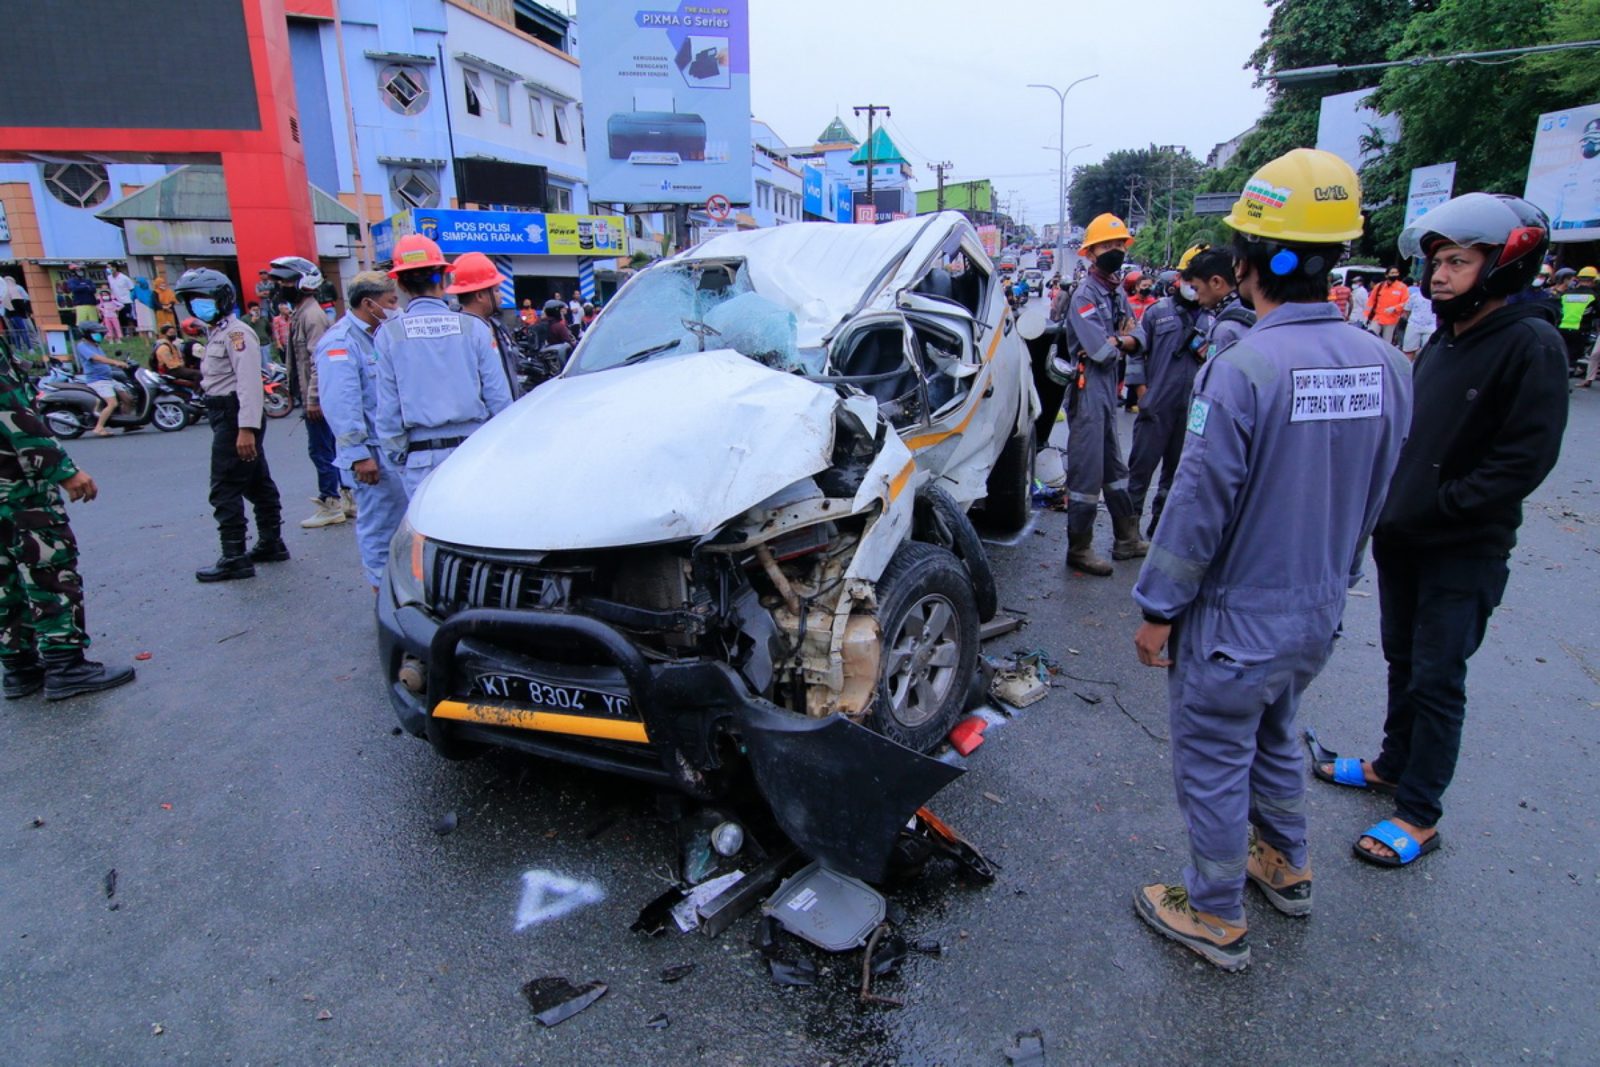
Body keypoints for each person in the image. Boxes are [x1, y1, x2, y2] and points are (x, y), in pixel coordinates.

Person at [1130, 148, 1411, 971]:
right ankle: (1287, 864)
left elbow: (1196, 504)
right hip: (1316, 611)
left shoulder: (1243, 366)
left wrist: (1157, 609)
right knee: (1278, 734)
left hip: (1235, 622)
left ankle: (1214, 910)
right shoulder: (1391, 365)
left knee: (1215, 759)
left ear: (1248, 264)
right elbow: (1375, 493)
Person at [1313, 193, 1568, 869]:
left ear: (1505, 263)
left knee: (1437, 676)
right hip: (1405, 538)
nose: (1441, 276)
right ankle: (1393, 763)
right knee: (1403, 657)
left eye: (1459, 261)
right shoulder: (1450, 341)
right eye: (1438, 263)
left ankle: (1421, 812)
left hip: (1462, 547)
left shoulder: (1530, 342)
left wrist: (1444, 503)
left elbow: (1524, 458)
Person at [0, 337, 135, 701]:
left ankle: (19, 667)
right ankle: (65, 666)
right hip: (16, 486)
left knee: (5, 578)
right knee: (47, 568)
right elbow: (13, 413)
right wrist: (63, 469)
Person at [374, 234, 513, 497]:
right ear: (444, 278)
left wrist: (399, 459)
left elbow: (388, 410)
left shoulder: (389, 335)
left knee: (428, 534)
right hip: (473, 450)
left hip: (421, 459)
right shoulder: (474, 328)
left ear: (401, 286)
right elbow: (499, 399)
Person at [175, 268, 287, 582]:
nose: (198, 306)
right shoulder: (218, 331)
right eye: (192, 301)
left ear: (222, 299)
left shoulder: (238, 334)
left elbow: (249, 382)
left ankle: (234, 556)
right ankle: (271, 543)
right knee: (256, 482)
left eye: (203, 299)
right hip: (225, 412)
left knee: (224, 486)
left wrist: (246, 427)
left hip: (235, 414)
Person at [1061, 212, 1147, 576]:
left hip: (1106, 386)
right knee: (1087, 470)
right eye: (1106, 246)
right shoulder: (1085, 294)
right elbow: (1100, 350)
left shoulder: (1114, 292)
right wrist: (1121, 340)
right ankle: (1079, 549)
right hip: (1088, 387)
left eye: (1118, 244)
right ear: (1090, 252)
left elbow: (1140, 338)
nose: (1114, 250)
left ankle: (1126, 539)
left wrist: (1124, 339)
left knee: (1114, 467)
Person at [314, 271, 409, 591]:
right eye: (391, 301)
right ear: (369, 303)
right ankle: (381, 594)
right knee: (380, 527)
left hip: (394, 447)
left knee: (404, 525)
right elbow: (341, 405)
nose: (396, 307)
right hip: (372, 455)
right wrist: (358, 456)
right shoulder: (340, 343)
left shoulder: (383, 334)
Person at [267, 256, 348, 529]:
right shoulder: (301, 313)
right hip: (314, 394)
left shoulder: (311, 316)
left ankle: (331, 502)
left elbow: (316, 362)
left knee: (321, 450)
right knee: (329, 447)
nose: (281, 286)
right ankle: (344, 497)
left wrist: (313, 399)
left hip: (318, 396)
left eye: (286, 281)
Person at [1126, 267, 1204, 535]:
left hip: (1192, 408)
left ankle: (1161, 529)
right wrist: (1141, 393)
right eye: (1188, 280)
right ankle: (1129, 531)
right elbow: (1135, 353)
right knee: (1140, 470)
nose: (1193, 287)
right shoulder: (1157, 312)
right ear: (1177, 282)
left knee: (1178, 474)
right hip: (1156, 404)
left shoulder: (1211, 318)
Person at [445, 252, 523, 400]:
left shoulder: (495, 326)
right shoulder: (458, 334)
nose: (502, 296)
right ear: (480, 296)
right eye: (497, 290)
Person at [75, 323, 130, 437]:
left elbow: (104, 360)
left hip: (108, 378)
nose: (99, 335)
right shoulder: (82, 346)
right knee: (112, 403)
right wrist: (115, 362)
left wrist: (117, 364)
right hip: (97, 380)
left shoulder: (96, 345)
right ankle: (99, 428)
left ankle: (128, 424)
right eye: (96, 333)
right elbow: (96, 358)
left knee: (127, 398)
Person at [1557, 265, 1597, 372]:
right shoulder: (1593, 296)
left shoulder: (1566, 294)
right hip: (1580, 331)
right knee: (1572, 361)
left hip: (1562, 328)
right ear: (1593, 280)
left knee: (1560, 357)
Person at [1365, 266, 1409, 343]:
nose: (1394, 275)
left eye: (1396, 273)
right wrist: (1366, 315)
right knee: (1370, 337)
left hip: (1391, 319)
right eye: (1392, 273)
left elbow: (1406, 302)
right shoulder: (1379, 286)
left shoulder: (1402, 287)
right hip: (1377, 317)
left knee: (1386, 342)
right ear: (1386, 275)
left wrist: (1395, 308)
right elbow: (1371, 301)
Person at [1400, 277, 1436, 360]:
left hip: (1431, 326)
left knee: (1428, 352)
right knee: (1408, 350)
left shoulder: (1436, 295)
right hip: (1414, 325)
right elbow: (1406, 311)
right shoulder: (1414, 296)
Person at [105, 264, 135, 334]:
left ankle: (131, 333)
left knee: (128, 318)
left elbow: (132, 289)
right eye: (107, 268)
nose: (109, 269)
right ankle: (121, 333)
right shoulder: (109, 278)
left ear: (115, 267)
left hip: (126, 301)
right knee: (118, 319)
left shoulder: (124, 278)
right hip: (116, 302)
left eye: (110, 267)